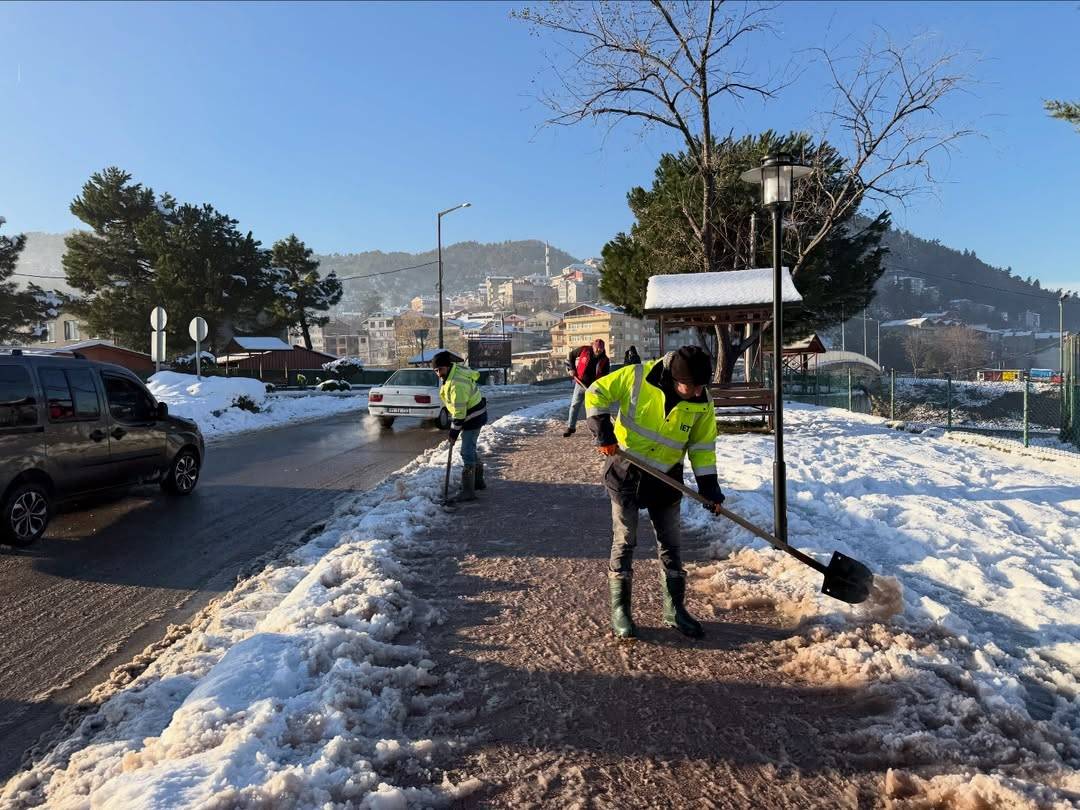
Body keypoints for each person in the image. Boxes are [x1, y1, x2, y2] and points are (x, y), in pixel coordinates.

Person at [585, 346, 724, 640]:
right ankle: (621, 610)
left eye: (702, 386)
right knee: (625, 541)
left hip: (666, 477)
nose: (697, 392)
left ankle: (675, 609)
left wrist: (709, 488)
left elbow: (702, 446)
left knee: (671, 545)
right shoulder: (637, 376)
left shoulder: (702, 401)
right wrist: (603, 432)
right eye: (691, 386)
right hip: (626, 470)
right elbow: (596, 392)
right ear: (674, 378)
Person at [432, 351, 488, 501]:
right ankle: (478, 481)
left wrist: (453, 434)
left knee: (466, 451)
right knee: (469, 448)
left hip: (473, 418)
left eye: (440, 369)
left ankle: (469, 491)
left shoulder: (457, 383)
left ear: (448, 366)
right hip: (472, 415)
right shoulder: (451, 375)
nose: (438, 373)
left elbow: (459, 413)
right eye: (436, 370)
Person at [563, 338, 610, 438]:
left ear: (603, 349)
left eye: (600, 349)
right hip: (580, 384)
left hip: (593, 388)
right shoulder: (584, 350)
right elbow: (571, 355)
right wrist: (572, 369)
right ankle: (571, 427)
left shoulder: (605, 360)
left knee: (593, 410)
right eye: (597, 348)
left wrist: (599, 388)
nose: (598, 351)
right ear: (593, 346)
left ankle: (596, 431)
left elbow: (606, 377)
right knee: (574, 405)